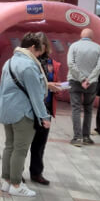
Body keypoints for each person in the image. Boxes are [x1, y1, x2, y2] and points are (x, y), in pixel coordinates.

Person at [0, 33, 51, 197]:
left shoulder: (9, 61)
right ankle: (16, 184)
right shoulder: (29, 66)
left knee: (9, 146)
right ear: (33, 47)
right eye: (39, 51)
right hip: (22, 113)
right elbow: (36, 95)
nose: (39, 55)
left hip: (7, 110)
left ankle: (7, 181)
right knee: (20, 150)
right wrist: (44, 116)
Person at [30, 33, 63, 186]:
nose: (40, 48)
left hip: (46, 108)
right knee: (23, 142)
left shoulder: (51, 63)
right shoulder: (29, 61)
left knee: (40, 144)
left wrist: (58, 88)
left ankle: (36, 172)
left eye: (42, 45)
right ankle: (16, 172)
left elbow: (54, 81)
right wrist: (46, 85)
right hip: (30, 107)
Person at [67, 28, 100, 147]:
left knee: (76, 109)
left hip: (75, 81)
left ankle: (77, 137)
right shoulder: (98, 48)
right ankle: (86, 137)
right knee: (88, 109)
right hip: (91, 84)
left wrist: (82, 79)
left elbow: (70, 64)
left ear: (81, 36)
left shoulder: (74, 46)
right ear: (92, 37)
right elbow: (99, 66)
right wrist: (89, 79)